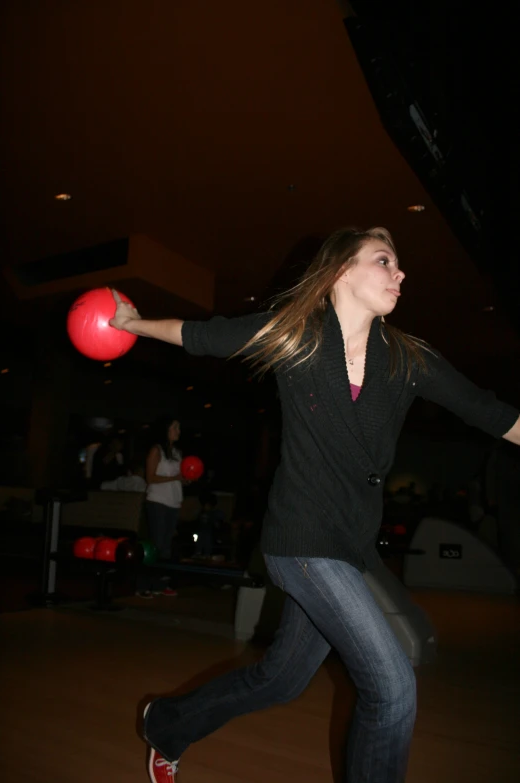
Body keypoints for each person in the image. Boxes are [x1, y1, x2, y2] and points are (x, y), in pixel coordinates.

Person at [110, 227, 520, 783]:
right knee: (393, 686)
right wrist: (131, 324)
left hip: (348, 547)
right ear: (340, 271)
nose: (400, 274)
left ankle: (166, 724)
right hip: (300, 539)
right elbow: (200, 335)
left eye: (398, 264)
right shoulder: (294, 336)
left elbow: (491, 413)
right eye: (385, 260)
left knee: (281, 679)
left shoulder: (408, 358)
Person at [136, 416, 185, 599]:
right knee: (155, 545)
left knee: (166, 547)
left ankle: (159, 584)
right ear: (166, 430)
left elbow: (179, 478)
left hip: (174, 501)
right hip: (157, 501)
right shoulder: (156, 450)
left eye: (178, 428)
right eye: (175, 427)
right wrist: (176, 478)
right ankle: (142, 585)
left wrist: (185, 479)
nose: (178, 431)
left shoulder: (177, 453)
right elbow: (150, 478)